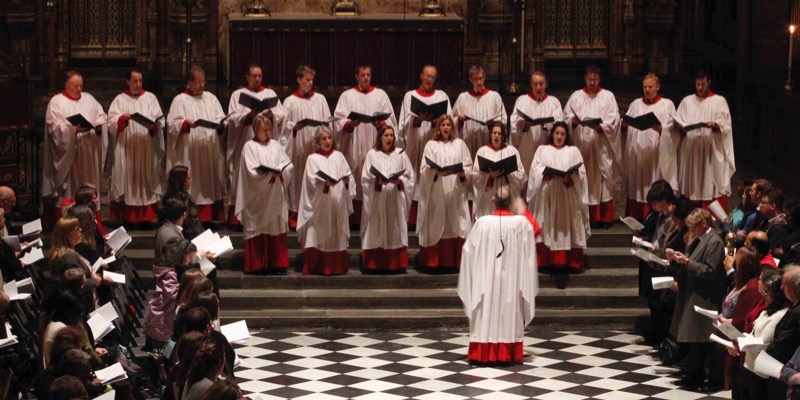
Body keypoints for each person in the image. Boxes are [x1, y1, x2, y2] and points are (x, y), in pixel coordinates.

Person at [458, 185, 538, 365]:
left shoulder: (481, 223)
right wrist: (523, 209)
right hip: (511, 282)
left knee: (485, 310)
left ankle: (483, 352)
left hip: (486, 283)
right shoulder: (521, 223)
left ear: (493, 200)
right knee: (509, 309)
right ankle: (507, 352)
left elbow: (468, 251)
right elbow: (535, 232)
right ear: (510, 203)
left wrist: (478, 270)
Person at [668, 208, 726, 391]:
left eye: (693, 227)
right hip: (694, 294)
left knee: (705, 341)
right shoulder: (700, 239)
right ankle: (696, 375)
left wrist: (687, 262)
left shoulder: (715, 242)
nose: (691, 231)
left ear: (704, 223)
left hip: (705, 297)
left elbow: (710, 270)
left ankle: (711, 380)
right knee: (696, 340)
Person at [334, 64, 397, 226]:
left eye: (368, 75)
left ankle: (373, 219)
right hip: (354, 144)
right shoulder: (347, 96)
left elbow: (392, 121)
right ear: (357, 76)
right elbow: (337, 121)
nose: (366, 78)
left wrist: (380, 123)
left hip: (375, 143)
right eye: (363, 75)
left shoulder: (380, 95)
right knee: (356, 175)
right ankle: (354, 220)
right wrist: (350, 124)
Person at [43, 71, 108, 228]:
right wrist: (73, 129)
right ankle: (69, 219)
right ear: (66, 84)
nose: (79, 89)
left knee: (89, 183)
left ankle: (91, 219)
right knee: (72, 186)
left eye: (81, 85)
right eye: (75, 86)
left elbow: (101, 115)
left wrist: (98, 123)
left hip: (89, 150)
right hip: (70, 153)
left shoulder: (89, 99)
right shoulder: (56, 101)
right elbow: (54, 125)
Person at [226, 64, 285, 225]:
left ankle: (264, 213)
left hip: (266, 144)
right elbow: (231, 118)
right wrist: (248, 116)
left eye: (259, 75)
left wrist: (271, 115)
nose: (257, 79)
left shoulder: (270, 94)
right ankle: (240, 218)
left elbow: (281, 116)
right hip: (246, 140)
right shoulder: (238, 94)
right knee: (244, 176)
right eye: (254, 76)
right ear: (247, 77)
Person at [167, 66, 227, 223]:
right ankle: (192, 217)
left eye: (203, 82)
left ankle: (211, 216)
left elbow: (221, 118)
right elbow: (171, 124)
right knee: (194, 182)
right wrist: (186, 124)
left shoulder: (211, 98)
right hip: (191, 151)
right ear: (190, 83)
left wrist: (221, 125)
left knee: (209, 182)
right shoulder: (180, 100)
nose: (202, 85)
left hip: (208, 150)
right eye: (198, 82)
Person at [527, 121, 589, 271]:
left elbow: (581, 174)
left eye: (562, 134)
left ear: (566, 136)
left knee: (565, 225)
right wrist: (546, 174)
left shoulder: (573, 151)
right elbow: (534, 169)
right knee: (547, 225)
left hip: (566, 195)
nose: (559, 137)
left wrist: (568, 178)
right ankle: (545, 261)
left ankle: (568, 262)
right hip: (547, 195)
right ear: (552, 134)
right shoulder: (542, 149)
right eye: (556, 133)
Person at [107, 68, 165, 225]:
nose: (138, 84)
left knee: (146, 179)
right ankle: (128, 218)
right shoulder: (119, 100)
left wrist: (153, 126)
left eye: (140, 81)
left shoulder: (150, 98)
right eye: (135, 81)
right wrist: (122, 119)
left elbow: (160, 120)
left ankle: (146, 217)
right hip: (127, 149)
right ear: (127, 82)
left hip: (146, 146)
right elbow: (110, 122)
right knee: (128, 179)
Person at [235, 115, 292, 274]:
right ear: (255, 130)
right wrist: (267, 175)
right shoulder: (249, 146)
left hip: (275, 195)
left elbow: (287, 165)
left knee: (275, 226)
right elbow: (250, 171)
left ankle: (276, 263)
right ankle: (257, 264)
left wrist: (282, 172)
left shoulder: (275, 145)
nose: (268, 132)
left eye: (269, 129)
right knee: (258, 227)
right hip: (258, 197)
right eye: (264, 130)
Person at [671, 70, 735, 210]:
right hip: (691, 150)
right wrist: (680, 127)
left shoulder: (719, 101)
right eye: (698, 84)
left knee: (708, 182)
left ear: (709, 83)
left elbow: (726, 125)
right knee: (691, 181)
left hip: (709, 151)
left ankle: (711, 214)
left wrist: (716, 125)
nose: (700, 88)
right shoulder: (687, 101)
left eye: (703, 84)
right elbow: (679, 120)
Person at [397, 65, 452, 224]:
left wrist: (437, 121)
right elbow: (403, 123)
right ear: (421, 76)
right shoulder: (410, 96)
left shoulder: (442, 96)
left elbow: (449, 120)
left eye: (432, 77)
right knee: (415, 177)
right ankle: (413, 219)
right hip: (416, 142)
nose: (429, 79)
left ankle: (432, 217)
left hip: (434, 142)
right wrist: (417, 120)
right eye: (427, 76)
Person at [417, 115, 472, 271]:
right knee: (437, 222)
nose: (446, 128)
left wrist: (462, 173)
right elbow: (424, 170)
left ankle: (456, 262)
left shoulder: (459, 144)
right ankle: (434, 262)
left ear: (452, 127)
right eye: (443, 125)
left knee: (456, 221)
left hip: (455, 189)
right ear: (439, 128)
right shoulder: (431, 145)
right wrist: (435, 173)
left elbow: (468, 166)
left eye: (449, 125)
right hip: (437, 189)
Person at [297, 126, 355, 275]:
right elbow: (310, 182)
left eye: (329, 138)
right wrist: (323, 183)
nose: (327, 141)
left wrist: (347, 181)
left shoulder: (339, 156)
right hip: (321, 203)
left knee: (335, 230)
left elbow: (349, 177)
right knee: (320, 230)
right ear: (318, 141)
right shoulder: (312, 158)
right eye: (323, 138)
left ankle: (336, 266)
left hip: (337, 202)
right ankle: (318, 265)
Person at [621, 73, 678, 220]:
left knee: (654, 182)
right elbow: (625, 127)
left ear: (658, 87)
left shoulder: (667, 105)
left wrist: (660, 129)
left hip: (656, 155)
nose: (647, 89)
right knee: (637, 186)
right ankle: (637, 216)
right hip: (637, 155)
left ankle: (655, 216)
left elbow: (673, 130)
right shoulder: (635, 104)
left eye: (650, 86)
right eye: (645, 87)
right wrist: (624, 126)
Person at [359, 126, 415, 273]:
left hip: (394, 199)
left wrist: (401, 181)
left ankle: (395, 264)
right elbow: (365, 179)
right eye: (386, 135)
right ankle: (374, 264)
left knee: (394, 228)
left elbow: (410, 177)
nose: (389, 138)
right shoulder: (372, 154)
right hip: (378, 199)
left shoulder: (400, 154)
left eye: (391, 135)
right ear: (380, 138)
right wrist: (377, 181)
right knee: (376, 227)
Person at [732, 269, 786, 400]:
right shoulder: (765, 312)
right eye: (763, 292)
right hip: (749, 366)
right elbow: (752, 333)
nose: (763, 296)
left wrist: (741, 343)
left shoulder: (780, 315)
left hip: (761, 372)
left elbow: (762, 343)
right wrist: (736, 342)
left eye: (766, 293)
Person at [143, 238, 196, 350]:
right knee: (162, 347)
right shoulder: (168, 273)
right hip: (162, 314)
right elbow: (174, 293)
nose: (191, 261)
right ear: (181, 256)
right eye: (190, 257)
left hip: (168, 311)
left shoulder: (172, 270)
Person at [510, 71, 563, 176]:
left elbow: (559, 125)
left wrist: (546, 125)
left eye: (541, 84)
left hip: (546, 146)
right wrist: (524, 124)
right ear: (531, 85)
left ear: (546, 84)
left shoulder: (553, 102)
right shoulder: (522, 100)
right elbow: (514, 123)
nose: (538, 87)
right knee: (526, 175)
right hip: (526, 145)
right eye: (535, 84)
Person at [471, 122, 526, 220]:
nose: (496, 136)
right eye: (494, 133)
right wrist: (489, 176)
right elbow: (475, 176)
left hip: (507, 190)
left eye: (499, 134)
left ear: (503, 136)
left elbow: (521, 175)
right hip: (489, 195)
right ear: (490, 134)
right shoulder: (482, 151)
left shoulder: (512, 151)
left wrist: (508, 172)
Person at [452, 65, 508, 158]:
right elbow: (451, 120)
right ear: (470, 79)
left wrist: (493, 123)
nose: (478, 82)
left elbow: (504, 119)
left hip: (488, 140)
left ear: (484, 77)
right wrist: (460, 120)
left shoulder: (494, 97)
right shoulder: (463, 98)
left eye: (480, 78)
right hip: (468, 140)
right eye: (475, 79)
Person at [766, 265, 800, 399]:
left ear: (796, 288)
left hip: (786, 371)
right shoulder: (794, 307)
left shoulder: (798, 312)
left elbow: (784, 343)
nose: (781, 287)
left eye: (785, 283)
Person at [161, 166, 204, 241]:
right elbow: (190, 227)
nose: (191, 181)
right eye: (188, 178)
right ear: (180, 181)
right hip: (186, 242)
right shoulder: (178, 200)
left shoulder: (177, 196)